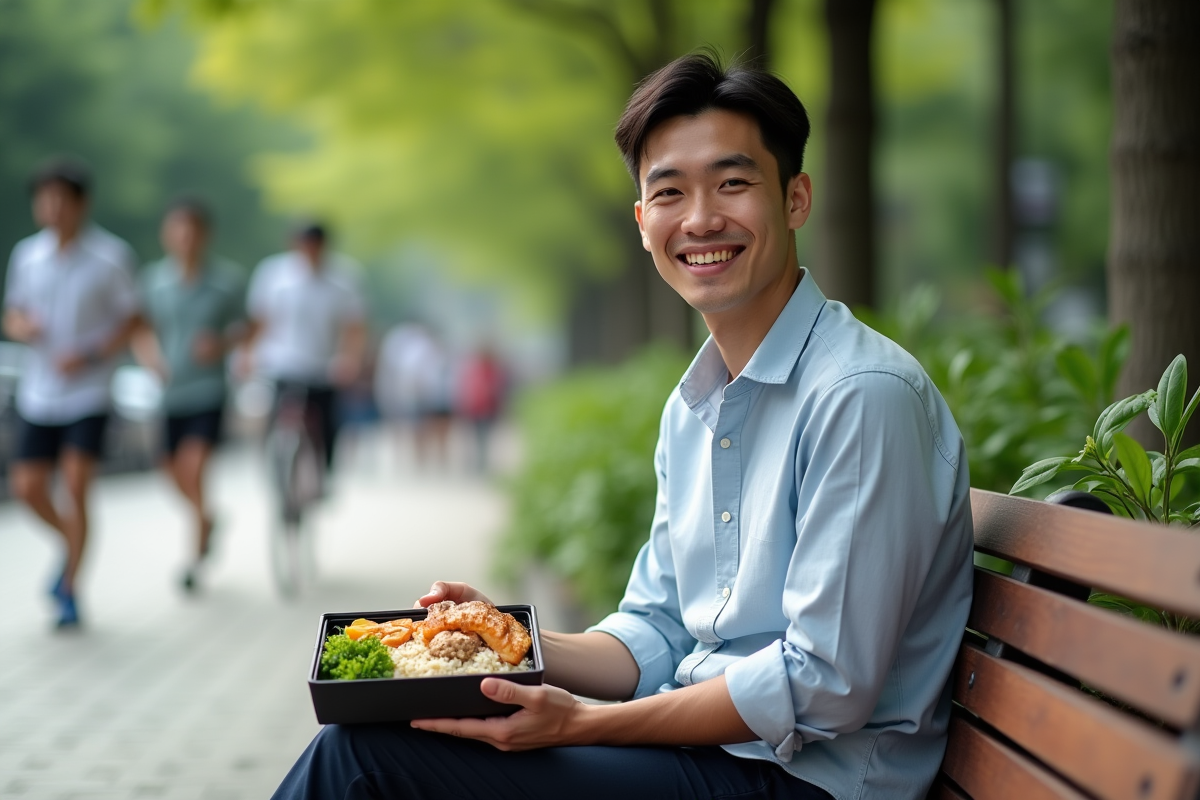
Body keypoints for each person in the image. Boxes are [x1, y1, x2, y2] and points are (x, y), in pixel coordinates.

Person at [272, 53, 974, 800]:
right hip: (718, 761)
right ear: (644, 224)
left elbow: (825, 683)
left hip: (808, 782)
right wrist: (501, 634)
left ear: (796, 198)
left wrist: (579, 724)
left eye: (733, 183)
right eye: (670, 192)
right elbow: (659, 628)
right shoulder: (695, 404)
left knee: (361, 762)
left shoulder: (860, 395)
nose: (701, 218)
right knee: (384, 736)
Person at [2, 158, 140, 629]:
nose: (54, 207)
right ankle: (70, 542)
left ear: (82, 203)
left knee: (77, 485)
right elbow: (12, 314)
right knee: (28, 488)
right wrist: (24, 326)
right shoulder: (26, 255)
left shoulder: (110, 257)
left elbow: (132, 319)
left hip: (89, 392)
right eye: (46, 198)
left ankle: (70, 588)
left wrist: (92, 352)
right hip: (39, 392)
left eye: (63, 198)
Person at [134, 197, 246, 592]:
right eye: (177, 228)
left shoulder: (225, 282)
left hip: (208, 391)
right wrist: (150, 357)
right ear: (167, 234)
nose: (185, 237)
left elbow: (247, 327)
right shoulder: (152, 281)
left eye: (192, 229)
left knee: (194, 468)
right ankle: (207, 518)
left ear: (205, 234)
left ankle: (194, 559)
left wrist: (223, 345)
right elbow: (139, 327)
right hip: (169, 394)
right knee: (171, 471)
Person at [244, 222, 367, 475]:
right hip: (281, 363)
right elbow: (259, 320)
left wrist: (350, 358)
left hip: (324, 365)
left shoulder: (344, 277)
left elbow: (354, 326)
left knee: (327, 421)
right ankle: (274, 470)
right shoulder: (273, 273)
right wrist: (247, 353)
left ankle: (325, 471)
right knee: (275, 418)